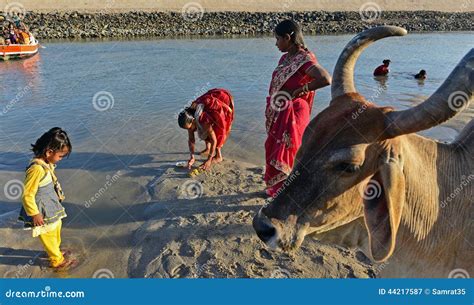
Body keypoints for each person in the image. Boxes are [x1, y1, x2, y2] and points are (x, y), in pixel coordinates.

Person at [264, 20, 331, 197]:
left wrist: (297, 91)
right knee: (273, 146)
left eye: (278, 39)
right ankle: (278, 187)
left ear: (288, 37)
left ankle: (290, 190)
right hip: (280, 110)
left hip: (295, 111)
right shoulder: (285, 58)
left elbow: (325, 79)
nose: (276, 43)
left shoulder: (304, 59)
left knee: (290, 147)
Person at [18, 128, 76, 270]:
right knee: (48, 233)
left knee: (56, 227)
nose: (61, 159)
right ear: (49, 152)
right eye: (61, 156)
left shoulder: (46, 163)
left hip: (50, 205)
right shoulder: (36, 169)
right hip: (41, 210)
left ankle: (55, 251)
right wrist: (35, 214)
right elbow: (27, 194)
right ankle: (56, 260)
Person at [178, 88, 234, 171]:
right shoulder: (189, 116)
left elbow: (214, 140)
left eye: (189, 128)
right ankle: (208, 149)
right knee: (203, 130)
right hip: (208, 105)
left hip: (222, 99)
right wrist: (192, 157)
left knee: (218, 130)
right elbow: (191, 139)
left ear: (193, 120)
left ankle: (218, 156)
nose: (190, 131)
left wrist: (209, 160)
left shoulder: (203, 120)